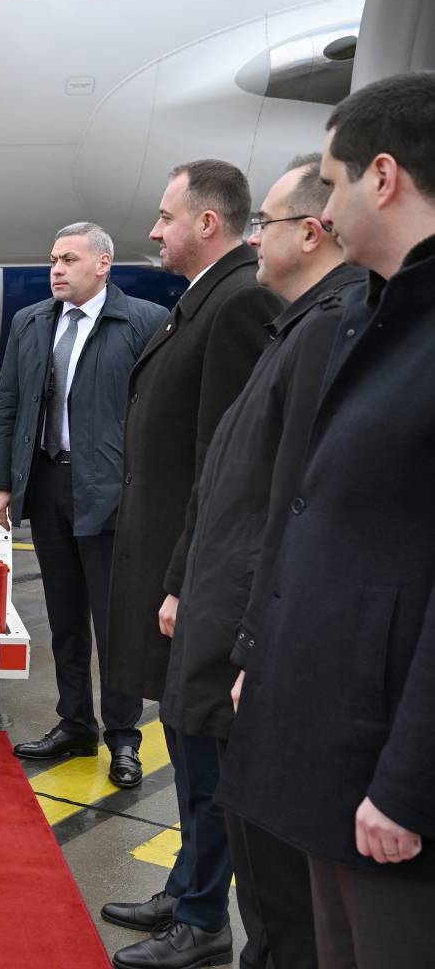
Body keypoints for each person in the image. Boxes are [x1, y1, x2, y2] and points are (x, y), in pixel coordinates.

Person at [219, 71, 435, 969]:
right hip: (329, 755)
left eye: (335, 181)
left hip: (388, 778)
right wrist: (261, 662)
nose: (327, 205)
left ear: (383, 177)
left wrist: (410, 783)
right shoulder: (371, 315)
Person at [161, 154, 364, 969]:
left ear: (310, 234)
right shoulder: (295, 326)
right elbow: (235, 484)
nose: (254, 240)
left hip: (250, 646)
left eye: (265, 225)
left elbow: (296, 509)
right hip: (230, 629)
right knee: (263, 882)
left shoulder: (322, 332)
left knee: (281, 894)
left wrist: (254, 644)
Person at [103, 160, 281, 969]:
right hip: (174, 564)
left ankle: (205, 920)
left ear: (207, 222)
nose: (154, 230)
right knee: (184, 743)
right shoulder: (205, 298)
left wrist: (181, 579)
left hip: (195, 575)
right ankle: (185, 888)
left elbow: (223, 463)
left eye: (166, 216)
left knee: (205, 753)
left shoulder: (238, 302)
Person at [0, 222, 164, 786]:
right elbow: (9, 404)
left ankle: (124, 737)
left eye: (69, 259)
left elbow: (159, 415)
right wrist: (0, 481)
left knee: (115, 622)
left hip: (111, 492)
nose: (56, 270)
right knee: (64, 617)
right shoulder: (32, 321)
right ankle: (75, 724)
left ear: (103, 264)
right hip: (48, 484)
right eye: (53, 260)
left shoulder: (143, 322)